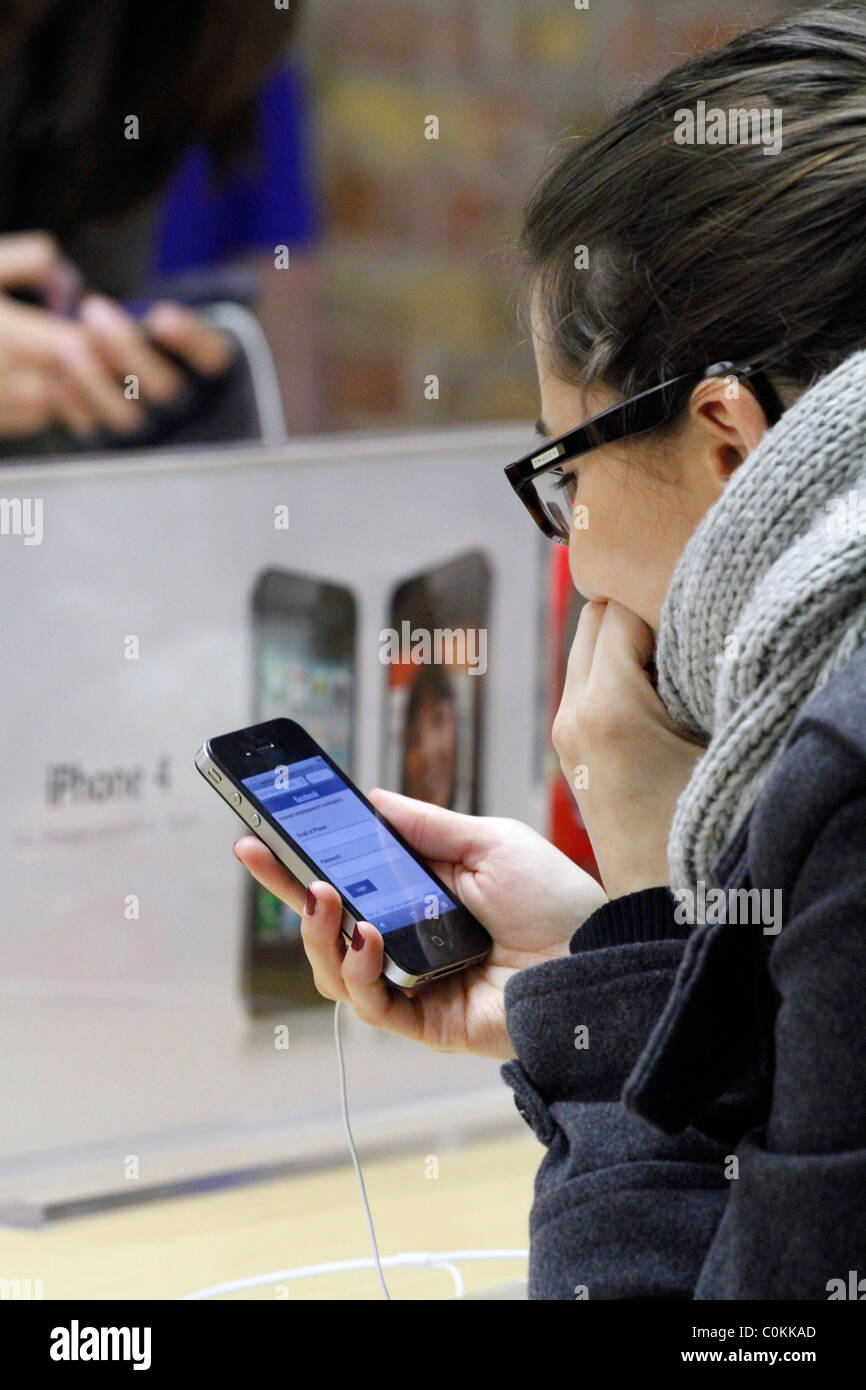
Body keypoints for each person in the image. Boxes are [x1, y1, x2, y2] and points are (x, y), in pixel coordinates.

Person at [233, 1, 866, 1299]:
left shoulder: (845, 793)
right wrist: (618, 949)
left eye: (561, 468)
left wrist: (647, 908)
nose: (568, 541)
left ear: (728, 443)